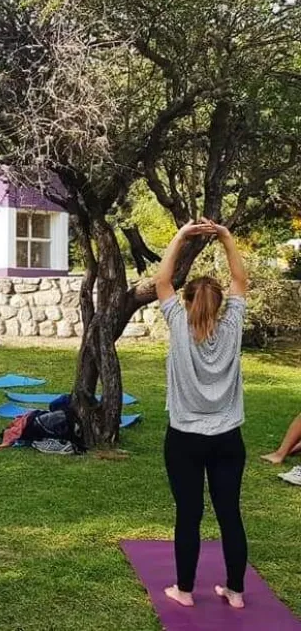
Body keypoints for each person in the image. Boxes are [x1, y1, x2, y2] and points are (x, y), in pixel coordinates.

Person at [155, 218, 249, 610]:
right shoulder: (233, 324)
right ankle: (236, 592)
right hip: (228, 438)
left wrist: (180, 236)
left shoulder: (177, 323)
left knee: (189, 514)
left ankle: (185, 590)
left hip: (185, 439)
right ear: (219, 303)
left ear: (188, 301)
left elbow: (163, 282)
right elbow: (240, 282)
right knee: (229, 513)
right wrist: (225, 237)